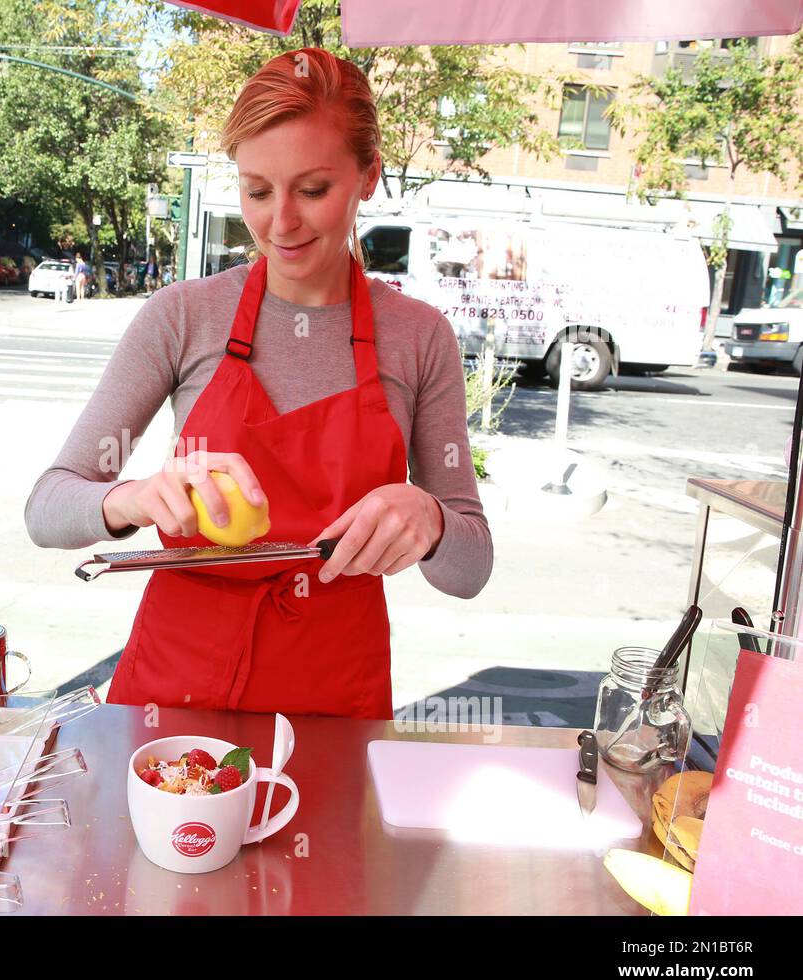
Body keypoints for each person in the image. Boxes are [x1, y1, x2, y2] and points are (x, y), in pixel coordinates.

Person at [24, 48, 492, 719]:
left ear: (368, 177)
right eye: (257, 190)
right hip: (173, 711)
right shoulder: (183, 316)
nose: (280, 224)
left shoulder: (418, 338)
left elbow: (470, 569)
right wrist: (137, 498)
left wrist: (432, 518)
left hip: (332, 711)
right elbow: (47, 508)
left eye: (312, 190)